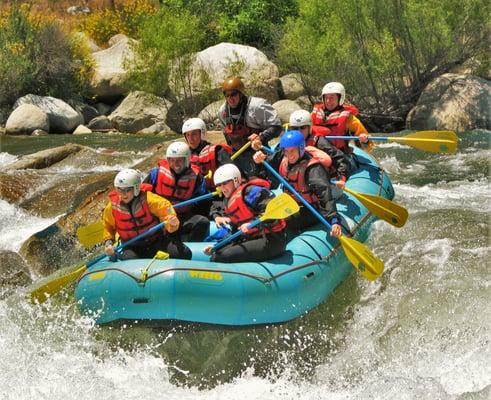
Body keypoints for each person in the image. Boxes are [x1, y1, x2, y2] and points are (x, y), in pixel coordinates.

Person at [254, 130, 341, 237]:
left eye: (292, 151)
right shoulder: (283, 156)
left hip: (312, 209)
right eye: (286, 151)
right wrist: (259, 160)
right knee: (265, 217)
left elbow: (325, 195)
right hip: (292, 203)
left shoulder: (313, 169)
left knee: (280, 222)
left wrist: (334, 220)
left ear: (301, 148)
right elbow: (266, 165)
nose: (289, 155)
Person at [203, 164, 287, 263]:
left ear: (236, 180)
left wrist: (253, 223)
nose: (223, 188)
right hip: (252, 237)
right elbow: (234, 230)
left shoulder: (251, 192)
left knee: (223, 256)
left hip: (272, 239)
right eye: (219, 185)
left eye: (225, 183)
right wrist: (217, 246)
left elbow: (273, 214)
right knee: (218, 253)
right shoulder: (228, 201)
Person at [103, 168, 192, 260]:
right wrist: (108, 243)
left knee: (185, 253)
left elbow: (167, 209)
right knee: (130, 260)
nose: (123, 194)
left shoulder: (150, 199)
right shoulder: (112, 207)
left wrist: (173, 222)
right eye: (119, 190)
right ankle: (118, 256)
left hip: (156, 241)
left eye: (127, 190)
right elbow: (108, 226)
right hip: (133, 247)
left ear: (136, 187)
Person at [144, 142, 210, 242]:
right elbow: (141, 196)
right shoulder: (156, 174)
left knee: (203, 222)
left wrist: (215, 216)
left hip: (181, 217)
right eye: (172, 160)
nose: (175, 164)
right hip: (159, 218)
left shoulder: (196, 178)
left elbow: (204, 202)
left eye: (179, 160)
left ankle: (189, 247)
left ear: (187, 160)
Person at [218, 76, 282, 179]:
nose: (230, 98)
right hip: (237, 156)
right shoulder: (222, 112)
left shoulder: (256, 106)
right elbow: (227, 135)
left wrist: (260, 137)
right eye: (227, 95)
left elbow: (277, 126)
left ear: (240, 93)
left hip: (258, 153)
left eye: (233, 94)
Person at [311, 82, 373, 167]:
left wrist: (364, 140)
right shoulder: (315, 114)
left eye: (332, 98)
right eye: (326, 98)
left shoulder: (349, 118)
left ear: (340, 99)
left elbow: (367, 143)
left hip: (339, 153)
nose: (328, 101)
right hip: (318, 152)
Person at [288, 109, 350, 191]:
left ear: (309, 128)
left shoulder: (319, 141)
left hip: (320, 177)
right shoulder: (287, 142)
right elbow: (276, 158)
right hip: (299, 178)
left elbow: (340, 159)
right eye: (295, 128)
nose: (299, 132)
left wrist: (342, 178)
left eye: (303, 128)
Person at [182, 117, 232, 190]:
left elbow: (230, 173)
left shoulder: (217, 151)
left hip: (218, 193)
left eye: (194, 134)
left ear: (202, 134)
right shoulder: (185, 156)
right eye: (188, 135)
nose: (190, 139)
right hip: (197, 195)